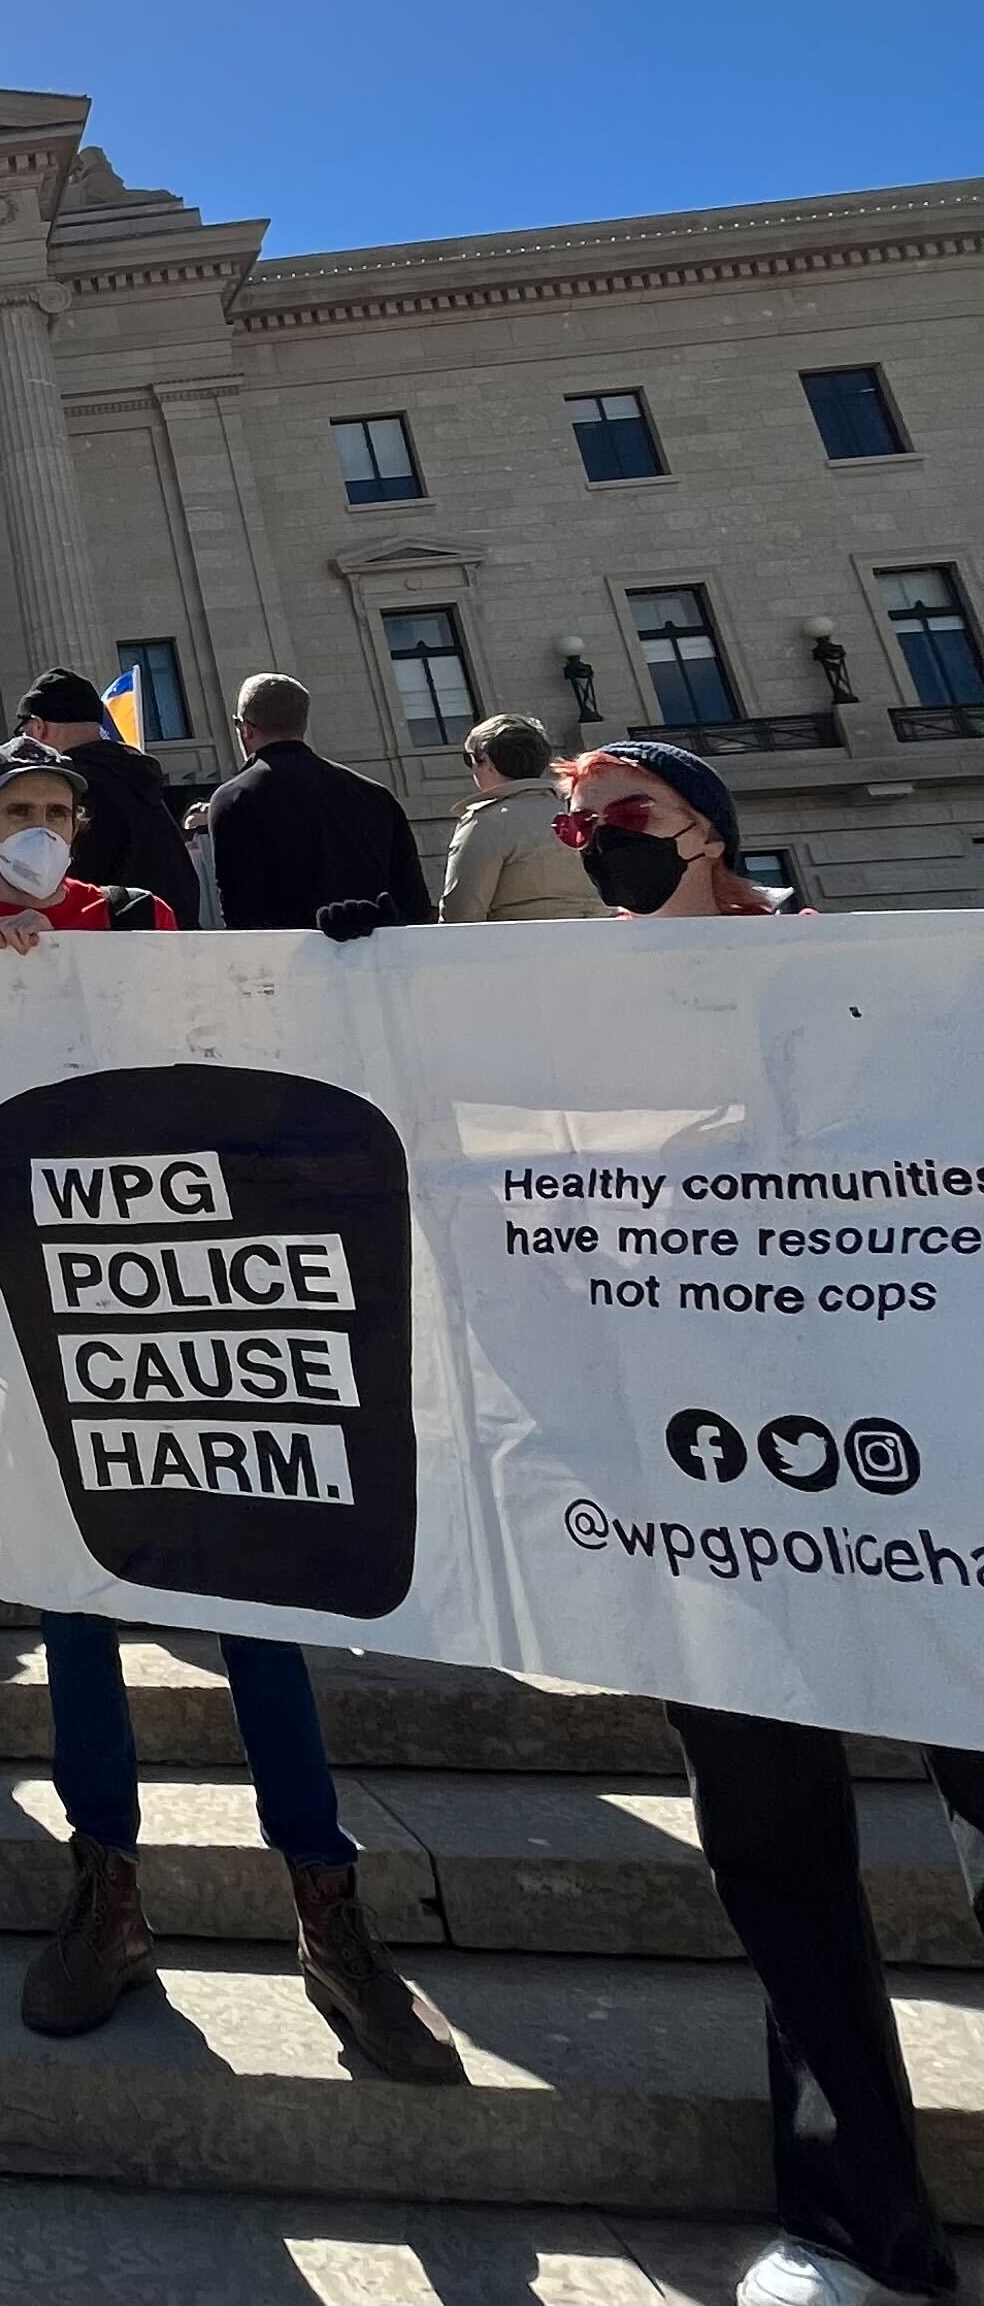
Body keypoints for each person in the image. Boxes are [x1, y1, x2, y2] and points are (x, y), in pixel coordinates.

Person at [0, 746, 462, 2086]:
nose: (39, 832)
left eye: (58, 813)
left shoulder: (145, 924)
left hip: (181, 1296)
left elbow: (231, 1057)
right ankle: (107, 1894)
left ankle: (329, 1910)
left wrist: (337, 973)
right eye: (17, 814)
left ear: (83, 825)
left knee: (258, 1605)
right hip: (33, 1308)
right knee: (78, 1613)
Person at [550, 738, 966, 2306]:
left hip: (929, 1471)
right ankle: (860, 2216)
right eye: (579, 827)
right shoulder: (556, 1014)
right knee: (776, 1847)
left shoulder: (865, 969)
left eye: (625, 821)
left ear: (706, 830)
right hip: (710, 1485)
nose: (596, 846)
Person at [202, 673, 434, 934]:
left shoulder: (234, 799)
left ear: (246, 729)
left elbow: (243, 916)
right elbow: (415, 907)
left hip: (291, 968)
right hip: (379, 964)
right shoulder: (375, 795)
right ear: (303, 723)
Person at [11, 670, 202, 926]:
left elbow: (57, 890)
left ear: (38, 727)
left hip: (111, 949)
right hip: (178, 942)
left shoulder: (68, 788)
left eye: (23, 733)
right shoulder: (136, 778)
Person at [0, 742, 179, 944]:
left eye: (57, 812)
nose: (41, 828)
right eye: (20, 811)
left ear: (75, 825)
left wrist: (59, 948)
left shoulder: (140, 916)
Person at [439, 713, 603, 924]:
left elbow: (461, 916)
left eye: (469, 759)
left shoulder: (487, 822)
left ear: (487, 762)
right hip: (601, 944)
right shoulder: (585, 815)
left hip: (523, 950)